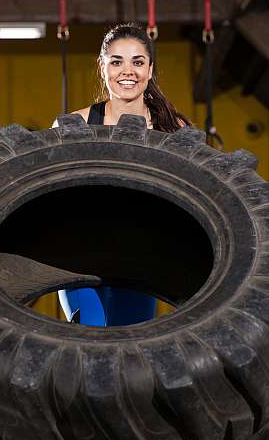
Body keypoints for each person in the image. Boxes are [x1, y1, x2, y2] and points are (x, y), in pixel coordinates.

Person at [55, 23, 191, 327]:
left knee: (130, 353)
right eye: (116, 61)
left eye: (137, 62)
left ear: (150, 69)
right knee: (90, 334)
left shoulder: (174, 128)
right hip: (79, 258)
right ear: (103, 67)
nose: (127, 71)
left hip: (140, 261)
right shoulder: (74, 125)